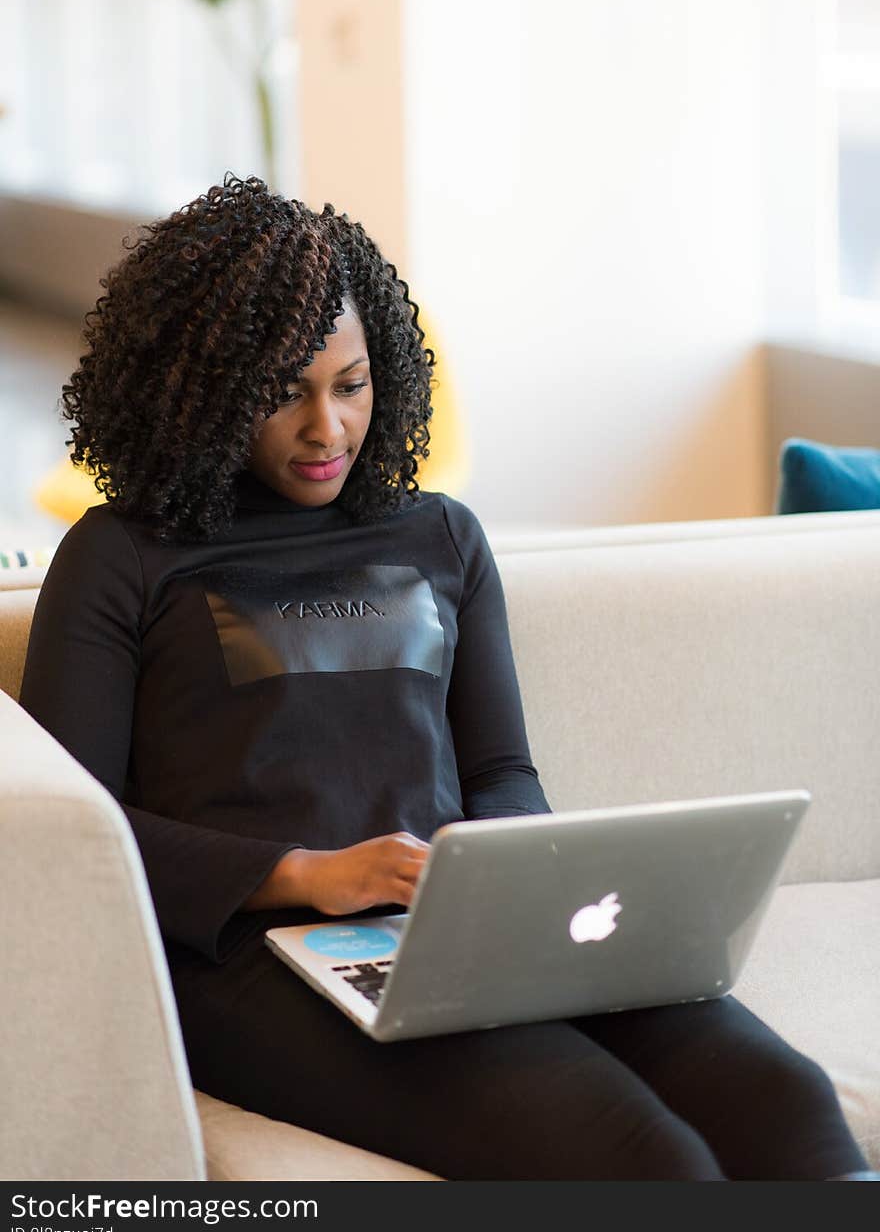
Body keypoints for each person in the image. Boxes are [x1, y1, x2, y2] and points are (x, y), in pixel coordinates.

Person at [19, 174, 874, 1181]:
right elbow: (79, 839)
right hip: (253, 955)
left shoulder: (441, 536)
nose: (327, 428)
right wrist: (305, 871)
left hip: (459, 925)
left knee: (786, 1101)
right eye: (282, 390)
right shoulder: (123, 556)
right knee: (644, 1156)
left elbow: (502, 767)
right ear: (204, 389)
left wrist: (508, 875)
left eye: (350, 382)